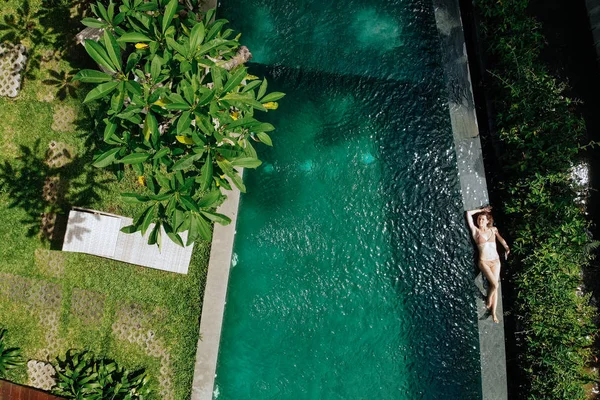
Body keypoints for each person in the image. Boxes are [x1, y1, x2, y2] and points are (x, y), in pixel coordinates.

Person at [465, 206, 510, 323]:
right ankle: (488, 300)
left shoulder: (493, 230)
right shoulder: (475, 231)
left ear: (488, 221)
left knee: (494, 287)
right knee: (495, 285)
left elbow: (501, 239)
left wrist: (506, 248)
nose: (480, 221)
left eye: (482, 219)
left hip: (495, 261)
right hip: (483, 262)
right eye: (479, 219)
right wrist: (480, 210)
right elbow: (468, 213)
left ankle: (494, 313)